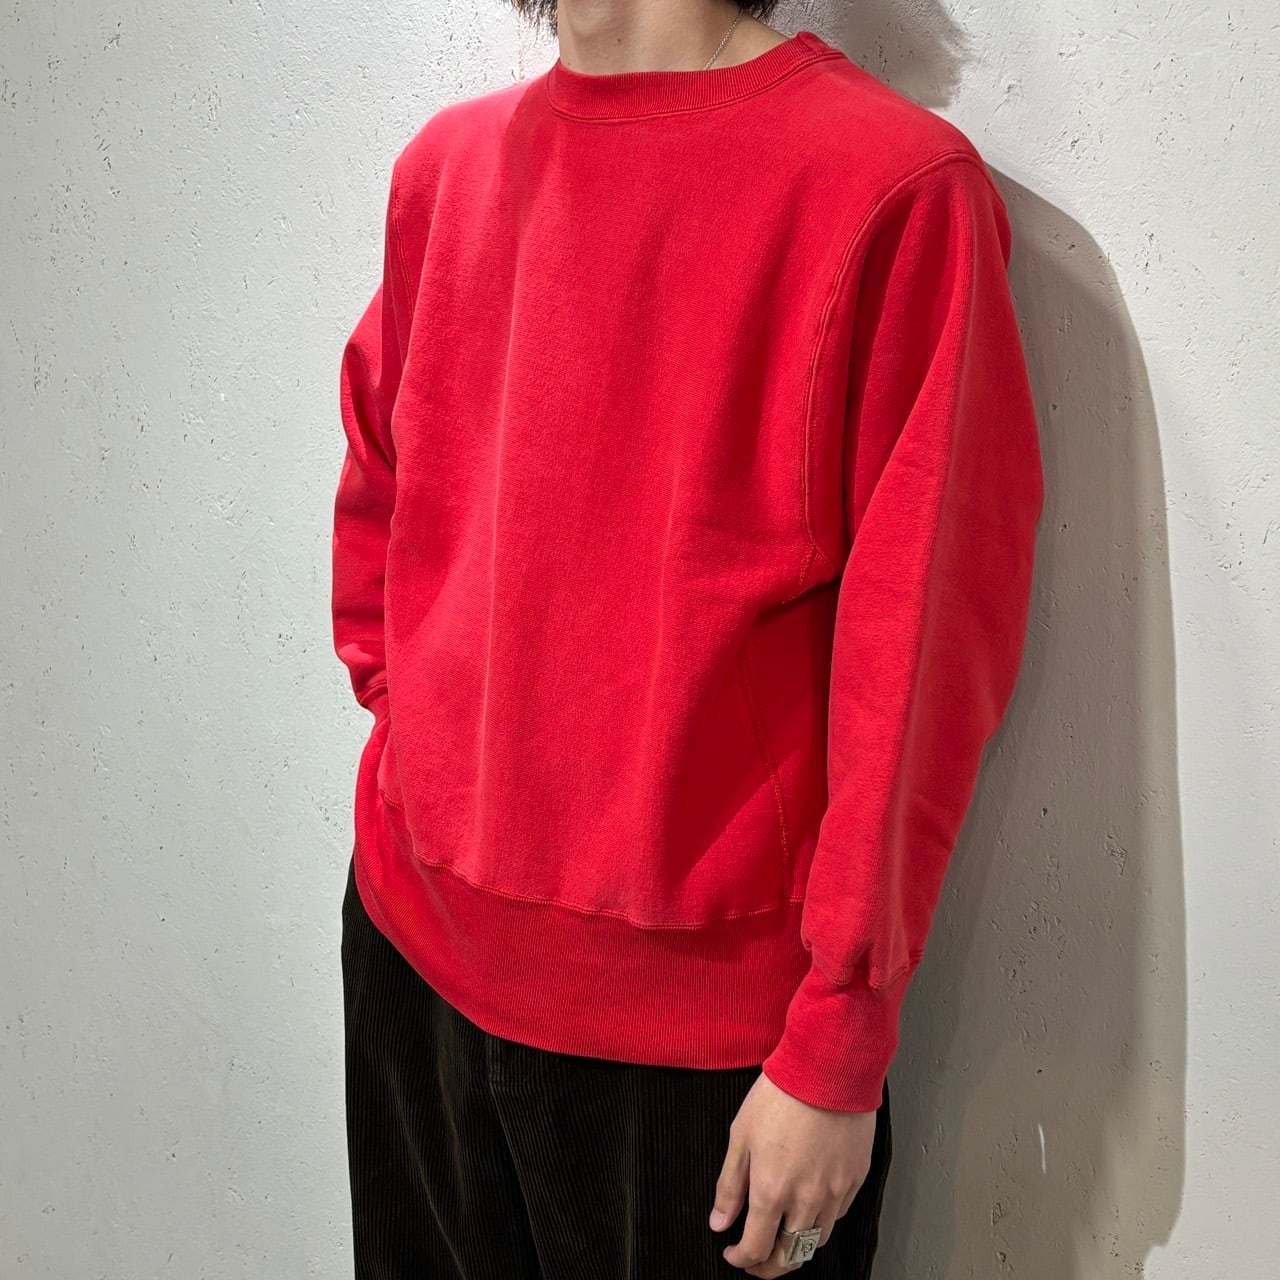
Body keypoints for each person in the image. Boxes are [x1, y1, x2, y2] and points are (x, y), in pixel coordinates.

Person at [330, 1, 1045, 1276]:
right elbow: (382, 491)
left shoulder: (889, 187)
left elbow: (924, 655)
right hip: (410, 952)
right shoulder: (447, 167)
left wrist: (835, 1038)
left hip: (702, 1050)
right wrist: (417, 743)